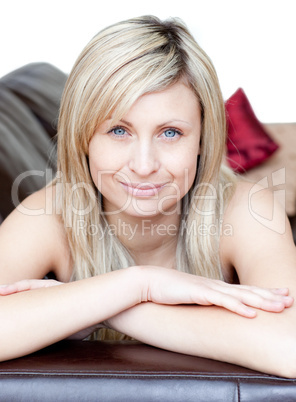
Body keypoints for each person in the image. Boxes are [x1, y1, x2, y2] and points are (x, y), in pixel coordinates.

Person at [0, 15, 295, 377]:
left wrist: (113, 307)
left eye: (170, 133)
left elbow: (290, 347)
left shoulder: (246, 210)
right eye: (119, 130)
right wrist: (140, 283)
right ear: (83, 138)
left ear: (203, 138)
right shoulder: (49, 215)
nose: (143, 165)